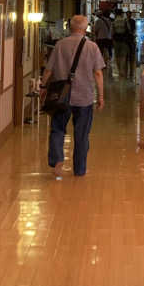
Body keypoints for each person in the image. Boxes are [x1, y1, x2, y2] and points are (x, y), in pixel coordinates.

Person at [40, 15, 105, 176]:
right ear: (85, 28)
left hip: (62, 96)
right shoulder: (92, 47)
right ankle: (80, 169)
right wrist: (101, 96)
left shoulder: (60, 45)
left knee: (57, 128)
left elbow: (49, 69)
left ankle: (57, 159)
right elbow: (98, 73)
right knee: (82, 134)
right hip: (84, 96)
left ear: (70, 27)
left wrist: (42, 86)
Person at [111, 7, 131, 77]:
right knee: (123, 56)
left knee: (117, 56)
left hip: (116, 41)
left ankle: (119, 71)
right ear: (122, 13)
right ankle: (122, 70)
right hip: (124, 41)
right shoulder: (125, 21)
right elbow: (129, 29)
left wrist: (112, 41)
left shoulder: (114, 22)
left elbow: (112, 32)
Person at [124, 11, 137, 77]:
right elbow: (134, 30)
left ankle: (129, 72)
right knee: (130, 57)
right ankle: (130, 72)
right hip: (130, 40)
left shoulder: (126, 21)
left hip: (128, 40)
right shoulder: (132, 21)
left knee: (129, 57)